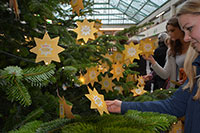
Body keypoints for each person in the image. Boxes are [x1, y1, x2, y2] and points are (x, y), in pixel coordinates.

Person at [106, 0, 200, 132]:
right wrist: (122, 106)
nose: (186, 38)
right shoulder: (196, 71)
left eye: (189, 28)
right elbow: (174, 106)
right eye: (184, 31)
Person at [143, 17, 190, 88]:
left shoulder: (194, 46)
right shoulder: (172, 51)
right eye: (168, 31)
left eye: (172, 30)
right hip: (178, 88)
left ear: (181, 29)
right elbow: (165, 74)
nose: (170, 34)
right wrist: (152, 61)